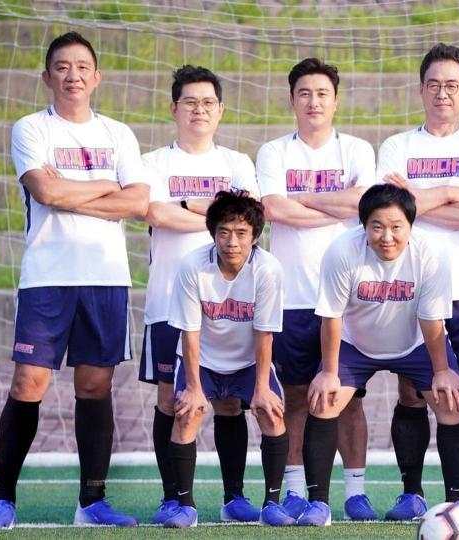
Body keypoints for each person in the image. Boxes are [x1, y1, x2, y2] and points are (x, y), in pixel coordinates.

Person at [0, 31, 150, 530]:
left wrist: (74, 190)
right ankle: (2, 497)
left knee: (96, 386)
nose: (72, 75)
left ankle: (92, 502)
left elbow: (139, 202)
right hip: (48, 278)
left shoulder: (119, 134)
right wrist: (105, 185)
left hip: (105, 278)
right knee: (28, 382)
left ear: (96, 77)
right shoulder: (31, 128)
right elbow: (46, 191)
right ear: (47, 76)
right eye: (62, 67)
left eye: (82, 67)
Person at [376, 43, 459, 519]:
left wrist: (416, 199)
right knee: (413, 389)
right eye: (434, 85)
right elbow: (390, 213)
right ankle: (411, 491)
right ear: (420, 89)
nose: (442, 93)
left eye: (452, 85)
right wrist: (451, 191)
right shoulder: (397, 145)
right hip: (408, 284)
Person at [297, 184, 459, 527]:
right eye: (377, 226)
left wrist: (441, 371)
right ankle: (318, 504)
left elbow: (431, 319)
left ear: (410, 225)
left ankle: (453, 501)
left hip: (415, 342)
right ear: (363, 227)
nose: (386, 236)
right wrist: (329, 371)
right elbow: (331, 316)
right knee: (324, 399)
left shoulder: (431, 254)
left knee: (451, 401)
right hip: (356, 344)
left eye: (396, 227)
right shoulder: (341, 252)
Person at [256, 57, 378, 521]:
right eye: (304, 93)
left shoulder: (357, 149)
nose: (313, 101)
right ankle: (293, 492)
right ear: (292, 99)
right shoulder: (273, 152)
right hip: (291, 297)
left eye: (322, 93)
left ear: (335, 100)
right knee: (294, 397)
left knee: (345, 399)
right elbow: (272, 208)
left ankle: (354, 492)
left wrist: (298, 199)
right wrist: (336, 207)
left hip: (347, 299)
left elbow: (363, 204)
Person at [138, 64, 261, 525]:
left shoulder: (236, 163)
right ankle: (174, 498)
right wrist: (213, 214)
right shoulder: (154, 163)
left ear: (221, 110)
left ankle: (233, 498)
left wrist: (184, 207)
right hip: (169, 302)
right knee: (172, 402)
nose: (199, 110)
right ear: (173, 108)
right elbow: (154, 213)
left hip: (228, 305)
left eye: (208, 102)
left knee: (229, 400)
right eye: (190, 101)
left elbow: (251, 218)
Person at [161, 191, 290, 528]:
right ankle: (184, 506)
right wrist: (192, 387)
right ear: (213, 233)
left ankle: (269, 504)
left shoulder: (268, 269)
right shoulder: (192, 267)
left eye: (241, 233)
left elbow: (265, 333)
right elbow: (189, 332)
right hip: (202, 358)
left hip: (248, 360)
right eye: (224, 232)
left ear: (255, 236)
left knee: (270, 411)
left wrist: (261, 388)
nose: (232, 241)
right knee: (187, 414)